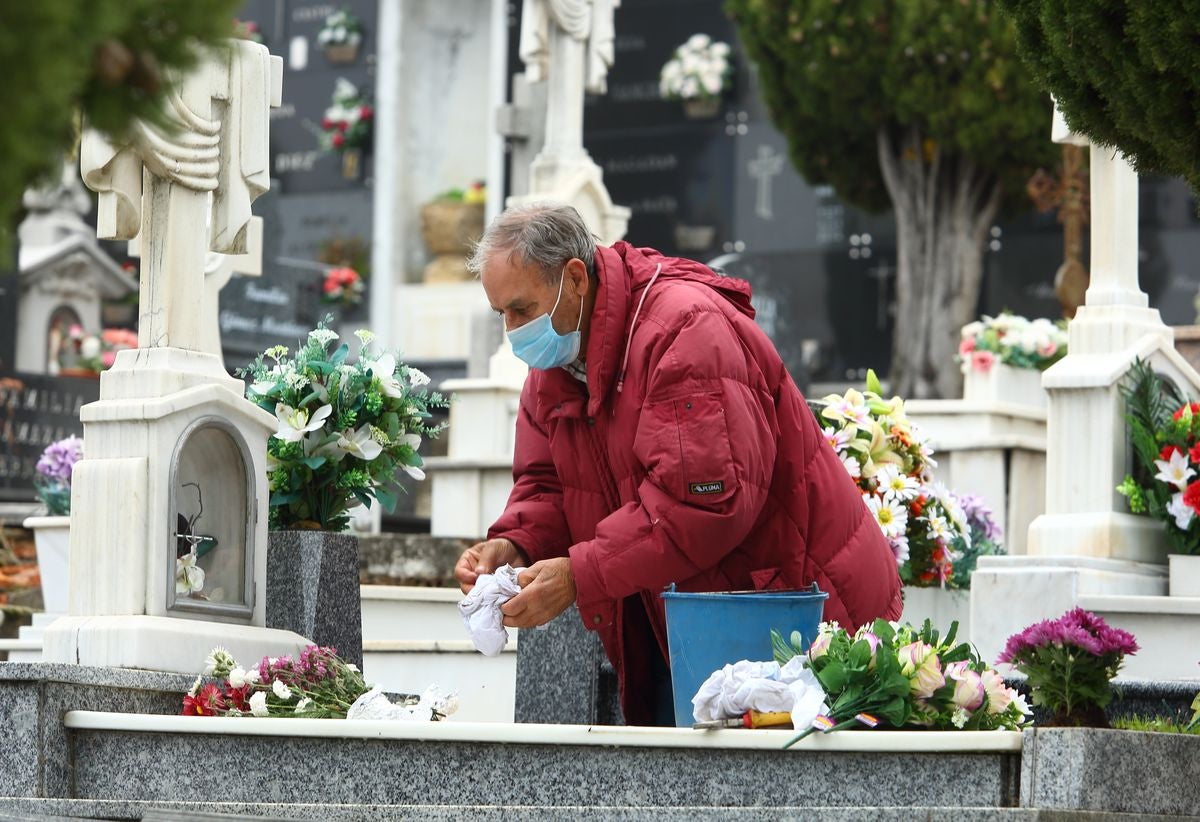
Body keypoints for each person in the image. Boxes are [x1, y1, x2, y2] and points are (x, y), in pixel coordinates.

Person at [454, 202, 902, 725]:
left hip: (787, 606)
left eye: (521, 310)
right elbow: (551, 485)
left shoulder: (684, 333)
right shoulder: (554, 363)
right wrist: (513, 544)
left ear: (574, 279)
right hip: (695, 613)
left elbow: (704, 501)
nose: (512, 332)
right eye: (500, 313)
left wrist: (579, 574)